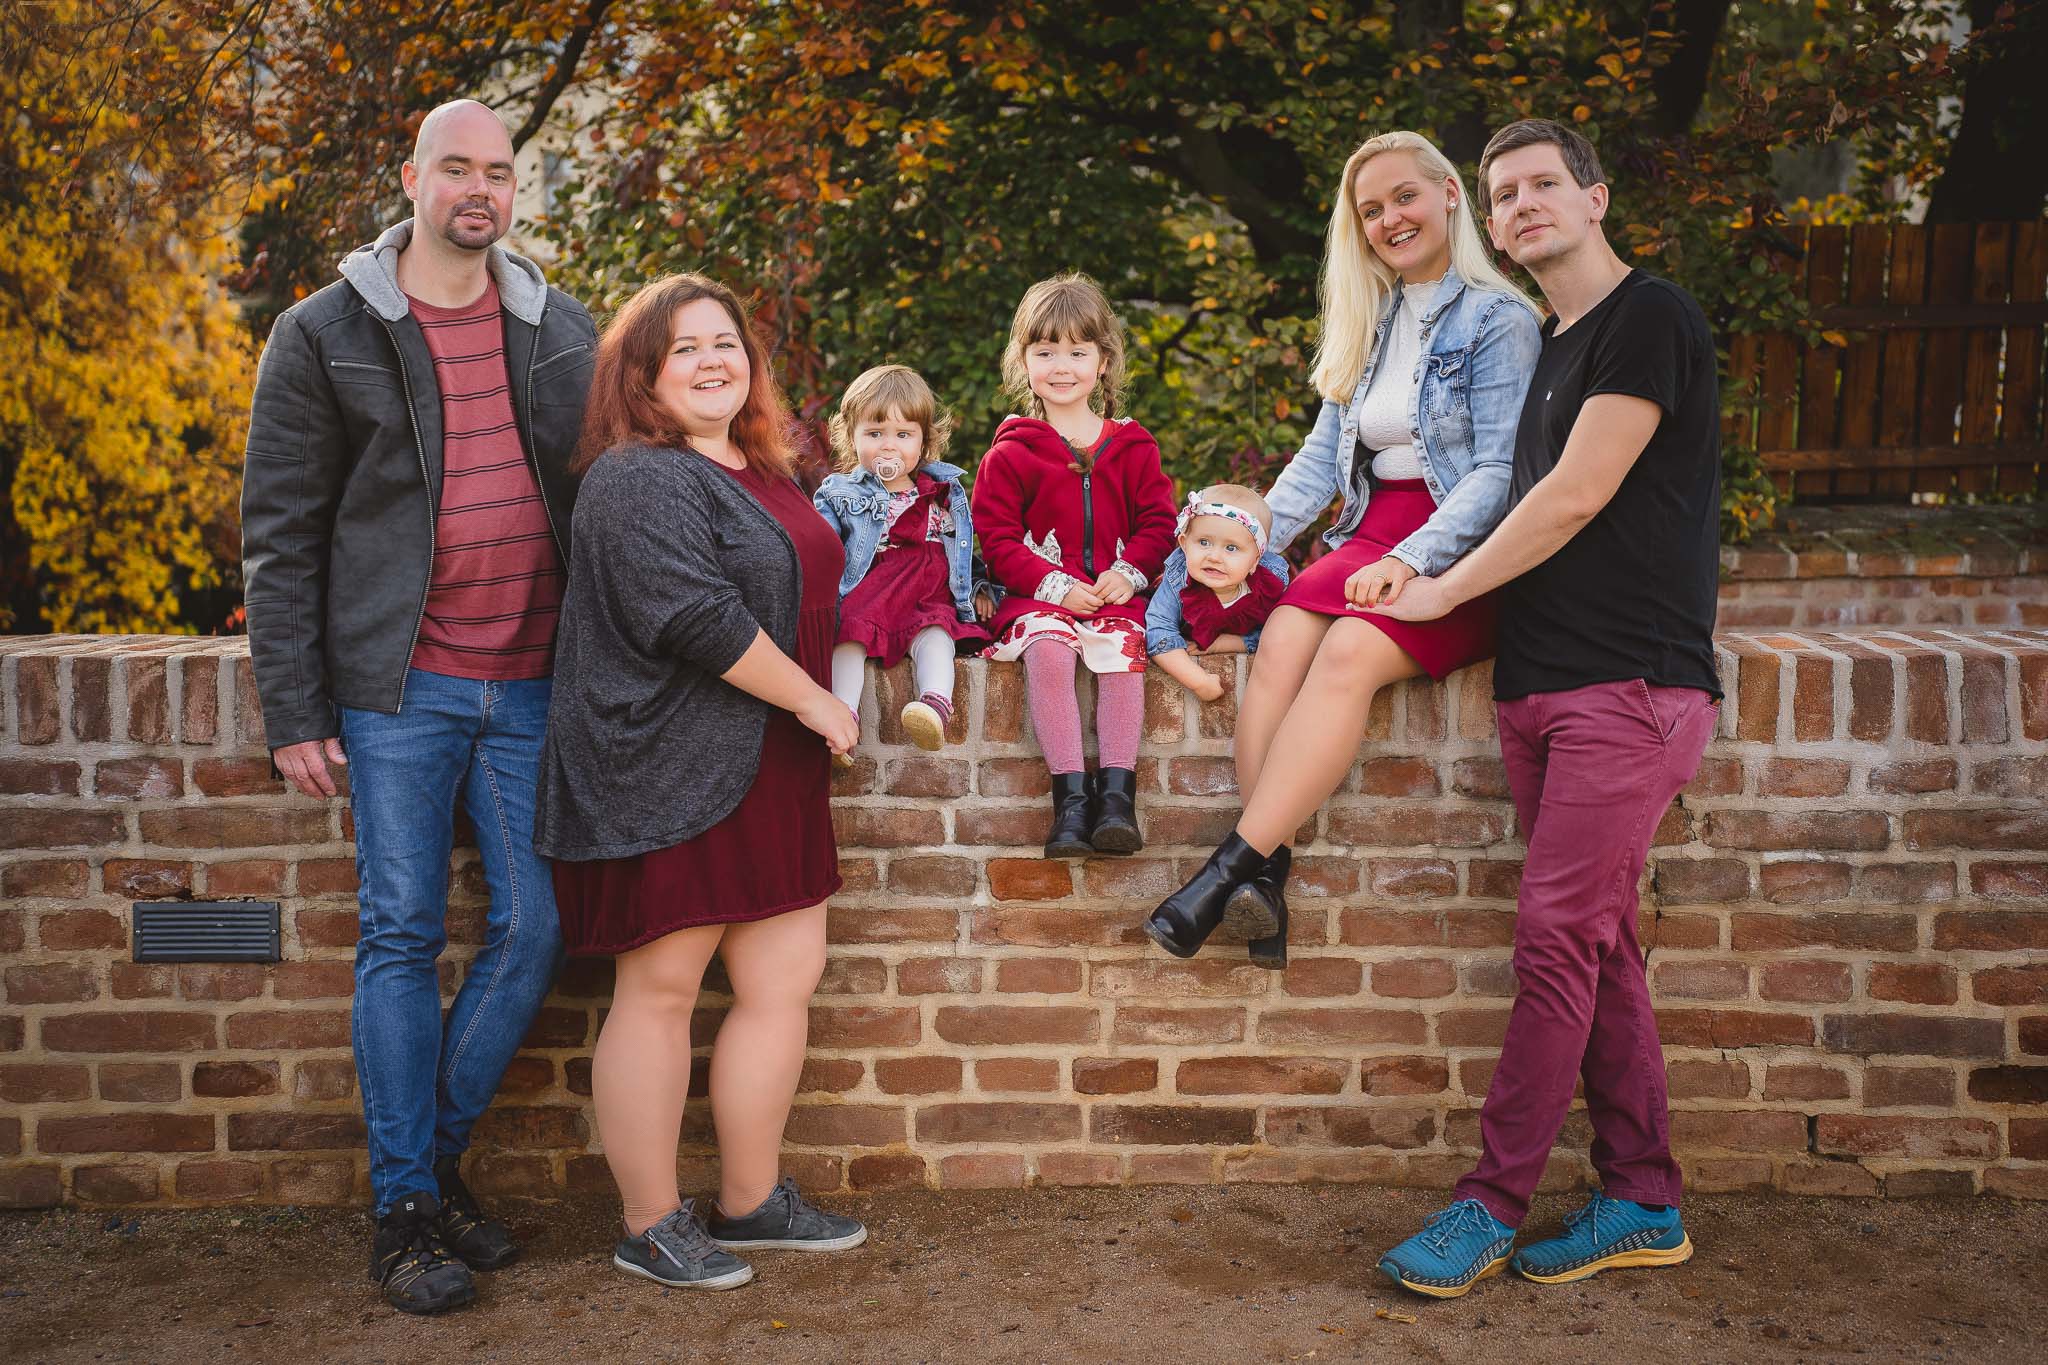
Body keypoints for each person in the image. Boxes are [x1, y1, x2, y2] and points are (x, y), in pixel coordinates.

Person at [240, 100, 594, 1315]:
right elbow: (280, 535)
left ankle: (424, 1176)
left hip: (535, 681)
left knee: (536, 926)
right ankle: (403, 1214)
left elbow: (619, 485)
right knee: (399, 931)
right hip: (398, 688)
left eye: (498, 171)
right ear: (412, 178)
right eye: (456, 168)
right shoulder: (321, 333)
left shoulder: (562, 330)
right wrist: (293, 708)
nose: (478, 190)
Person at [1371, 118, 1723, 1297]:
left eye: (1540, 185)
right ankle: (1641, 1198)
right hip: (1537, 688)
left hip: (1630, 687)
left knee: (1553, 941)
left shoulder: (1646, 317)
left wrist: (1438, 592)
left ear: (1593, 197)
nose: (1520, 205)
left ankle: (1488, 1206)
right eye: (1501, 193)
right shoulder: (1547, 341)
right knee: (1598, 945)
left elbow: (1572, 496)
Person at [536, 272, 867, 1293]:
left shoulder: (764, 468)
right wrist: (814, 700)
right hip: (667, 762)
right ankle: (648, 1224)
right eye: (682, 348)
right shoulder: (635, 477)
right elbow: (693, 617)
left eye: (725, 342)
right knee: (661, 988)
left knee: (782, 981)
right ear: (640, 376)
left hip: (772, 761)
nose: (711, 360)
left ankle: (750, 1200)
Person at [1143, 130, 1542, 966]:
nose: (1390, 219)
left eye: (1404, 197)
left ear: (1449, 195)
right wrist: (1243, 538)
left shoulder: (1500, 318)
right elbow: (1322, 458)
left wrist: (1413, 557)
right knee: (1284, 635)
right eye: (1371, 210)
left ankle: (1224, 873)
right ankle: (1265, 883)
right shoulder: (1372, 317)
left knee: (1350, 651)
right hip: (1367, 534)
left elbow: (1500, 472)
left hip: (1459, 546)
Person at [971, 273, 1178, 859]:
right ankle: (1070, 800)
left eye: (1077, 352)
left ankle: (1116, 799)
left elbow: (1159, 525)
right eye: (1045, 352)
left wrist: (1129, 573)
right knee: (1050, 650)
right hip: (1039, 599)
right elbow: (998, 539)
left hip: (1115, 597)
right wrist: (1054, 585)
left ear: (1103, 362)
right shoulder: (1010, 453)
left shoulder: (1134, 448)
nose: (1061, 367)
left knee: (1124, 653)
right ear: (1024, 362)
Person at [814, 364, 992, 764]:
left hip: (926, 594)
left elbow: (961, 549)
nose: (889, 446)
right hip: (870, 589)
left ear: (924, 440)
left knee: (937, 634)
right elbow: (821, 547)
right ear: (851, 436)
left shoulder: (942, 491)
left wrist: (980, 587)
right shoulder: (840, 493)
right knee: (848, 637)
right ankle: (842, 719)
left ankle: (934, 705)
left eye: (903, 435)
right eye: (875, 434)